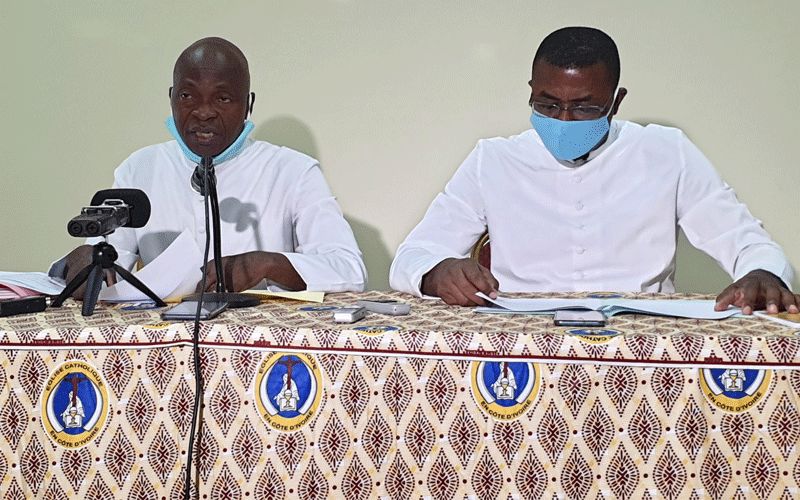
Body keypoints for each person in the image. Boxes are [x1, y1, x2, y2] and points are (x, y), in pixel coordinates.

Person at [390, 26, 798, 315]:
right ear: (531, 91)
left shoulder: (665, 152)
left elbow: (746, 242)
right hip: (522, 339)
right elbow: (412, 256)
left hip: (640, 340)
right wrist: (437, 272)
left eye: (585, 107)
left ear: (616, 102)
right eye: (547, 105)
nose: (564, 120)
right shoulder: (493, 159)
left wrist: (762, 273)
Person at [58, 37, 366, 296]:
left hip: (257, 341)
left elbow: (350, 270)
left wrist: (269, 264)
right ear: (171, 99)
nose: (203, 112)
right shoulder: (139, 168)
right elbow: (105, 267)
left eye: (223, 98)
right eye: (187, 95)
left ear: (248, 105)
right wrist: (85, 267)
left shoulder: (293, 171)